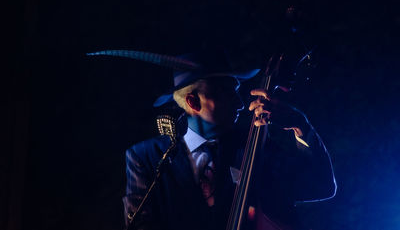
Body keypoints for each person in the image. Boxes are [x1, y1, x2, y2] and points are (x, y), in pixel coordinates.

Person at [122, 54, 336, 230]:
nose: (240, 104)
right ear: (193, 101)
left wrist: (299, 124)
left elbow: (320, 185)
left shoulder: (254, 145)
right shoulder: (146, 157)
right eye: (226, 92)